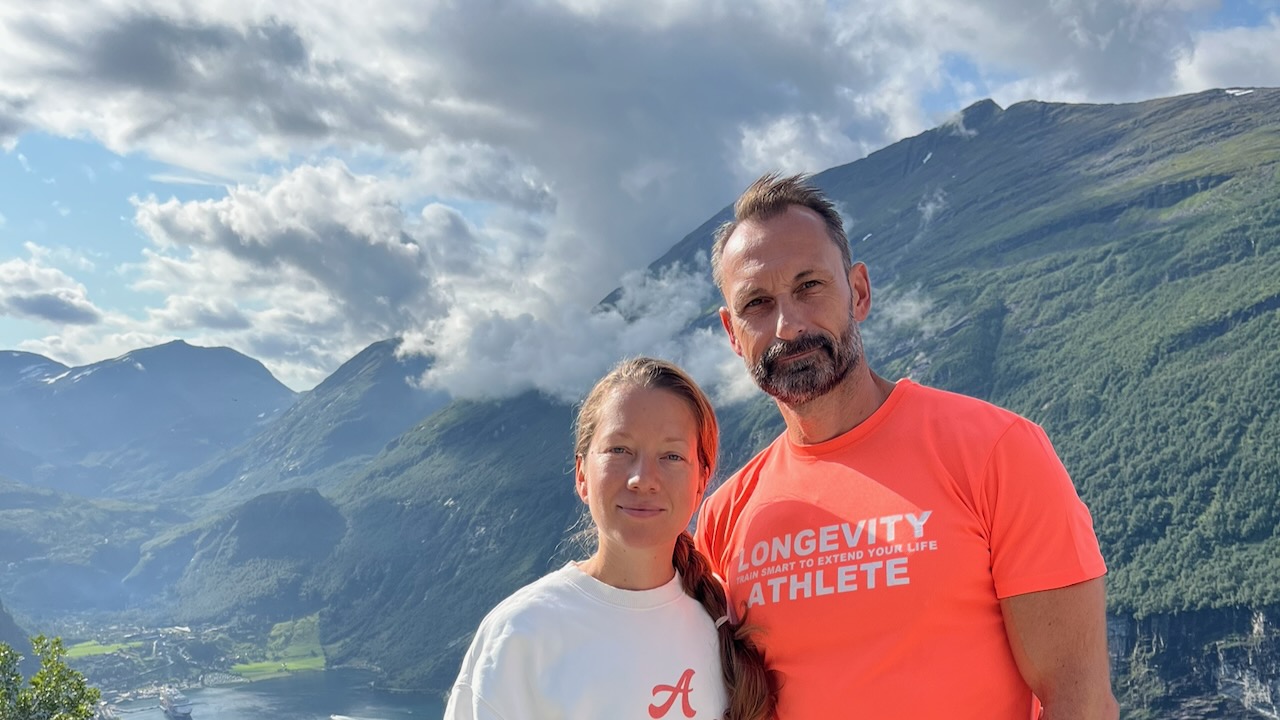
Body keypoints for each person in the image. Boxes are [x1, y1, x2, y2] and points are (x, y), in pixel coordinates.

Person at [696, 173, 1119, 719]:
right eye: (757, 302)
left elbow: (1079, 700)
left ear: (860, 293)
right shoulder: (727, 515)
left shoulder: (995, 452)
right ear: (733, 333)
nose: (789, 325)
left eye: (809, 286)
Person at [444, 357, 773, 720]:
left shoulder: (724, 619)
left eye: (671, 455)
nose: (643, 478)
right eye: (620, 450)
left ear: (701, 482)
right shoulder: (522, 634)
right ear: (582, 473)